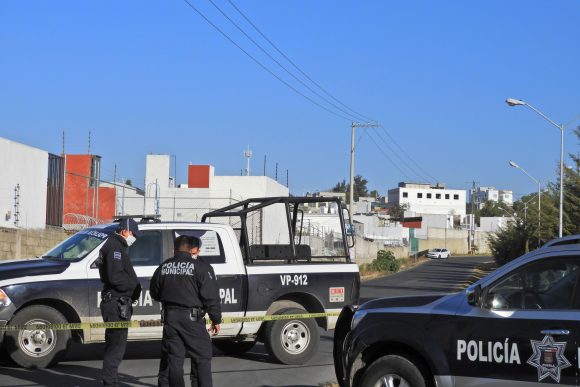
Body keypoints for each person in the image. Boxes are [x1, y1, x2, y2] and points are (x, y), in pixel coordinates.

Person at [150, 235, 221, 387]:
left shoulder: (163, 267)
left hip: (170, 317)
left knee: (174, 359)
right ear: (191, 249)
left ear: (174, 249)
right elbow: (211, 297)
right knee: (202, 357)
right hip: (193, 318)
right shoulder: (200, 267)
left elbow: (154, 293)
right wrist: (216, 319)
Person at [97, 218, 143, 387]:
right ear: (125, 231)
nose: (135, 238)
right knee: (116, 346)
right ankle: (110, 381)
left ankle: (110, 379)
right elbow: (115, 277)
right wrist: (134, 286)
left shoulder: (116, 245)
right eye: (134, 234)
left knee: (115, 344)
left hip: (117, 302)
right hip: (116, 303)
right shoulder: (115, 247)